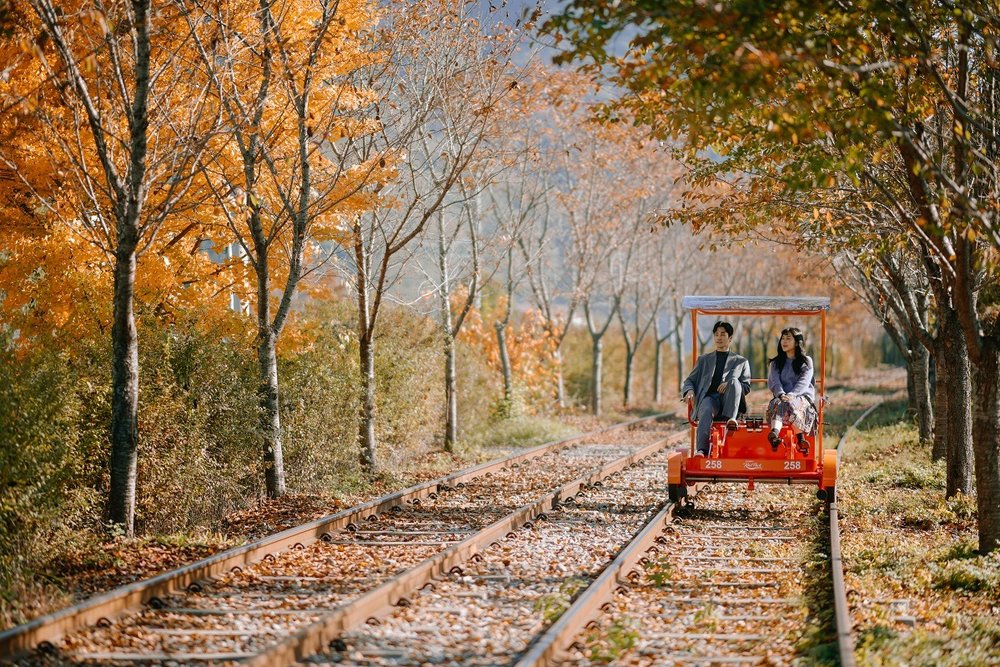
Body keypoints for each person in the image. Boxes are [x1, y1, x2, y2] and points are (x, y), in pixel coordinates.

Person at [681, 321, 752, 457]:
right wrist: (689, 390)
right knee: (706, 409)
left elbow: (746, 387)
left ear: (730, 338)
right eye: (716, 334)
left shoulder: (741, 361)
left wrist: (731, 383)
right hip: (710, 399)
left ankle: (731, 419)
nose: (719, 338)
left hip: (729, 401)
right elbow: (689, 380)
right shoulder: (703, 360)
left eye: (723, 334)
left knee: (734, 381)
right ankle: (702, 450)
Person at [766, 327, 817, 453]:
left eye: (788, 338)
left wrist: (792, 395)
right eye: (782, 338)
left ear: (796, 342)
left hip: (802, 395)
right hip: (782, 396)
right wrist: (781, 394)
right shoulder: (776, 363)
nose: (784, 341)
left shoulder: (806, 361)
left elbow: (804, 382)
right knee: (777, 404)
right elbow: (775, 381)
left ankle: (800, 439)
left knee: (792, 404)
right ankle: (775, 434)